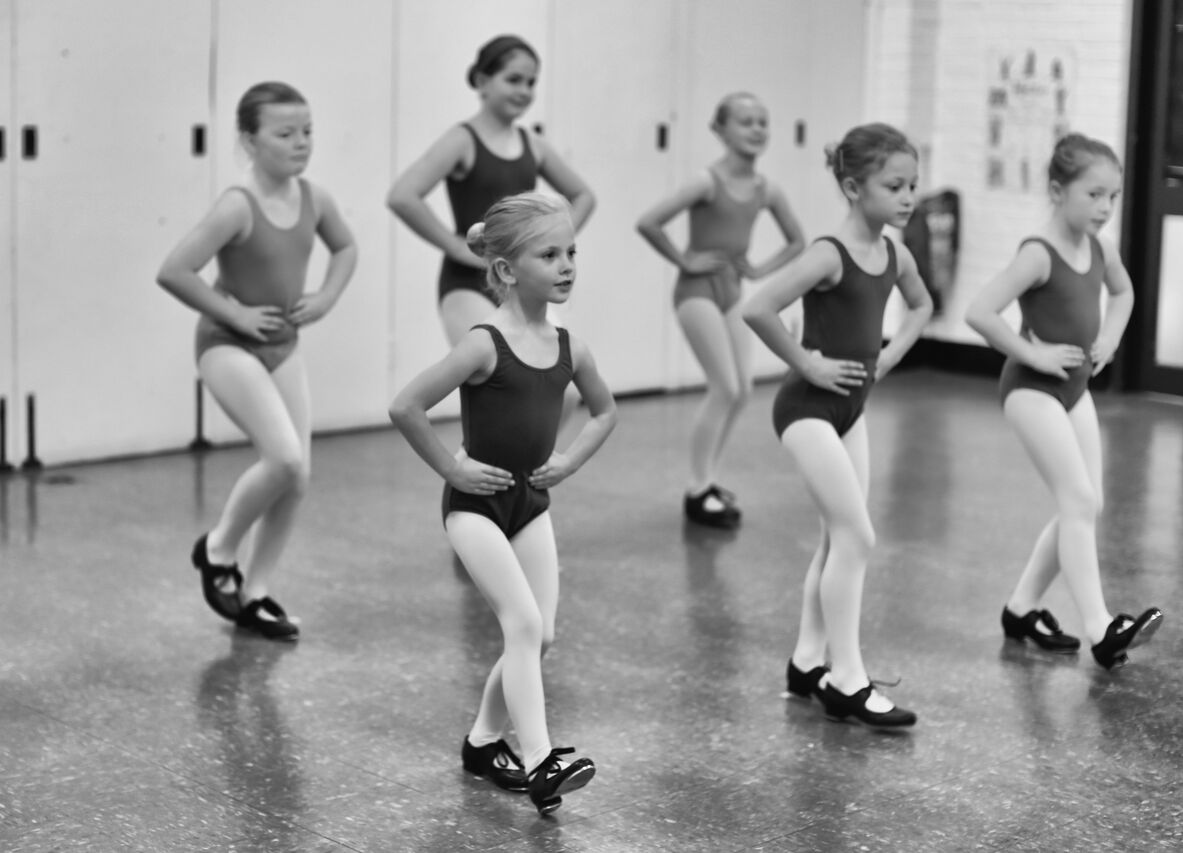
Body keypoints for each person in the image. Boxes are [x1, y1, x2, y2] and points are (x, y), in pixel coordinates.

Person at [389, 192, 616, 815]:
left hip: (532, 506)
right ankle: (541, 761)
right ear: (509, 270)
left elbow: (605, 411)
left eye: (572, 251)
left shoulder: (571, 346)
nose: (568, 264)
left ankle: (484, 741)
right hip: (474, 508)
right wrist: (451, 464)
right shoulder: (484, 343)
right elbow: (406, 406)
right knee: (520, 623)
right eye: (550, 254)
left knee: (539, 637)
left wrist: (569, 460)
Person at [743, 123, 932, 728]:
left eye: (913, 186)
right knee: (858, 537)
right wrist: (805, 362)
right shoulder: (830, 253)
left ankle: (806, 663)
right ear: (854, 187)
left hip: (852, 409)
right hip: (805, 410)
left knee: (835, 539)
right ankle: (846, 678)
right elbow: (757, 307)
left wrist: (893, 353)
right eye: (894, 185)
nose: (907, 198)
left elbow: (924, 304)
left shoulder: (894, 252)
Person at [157, 82, 358, 641]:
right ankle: (218, 550)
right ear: (249, 139)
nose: (301, 143)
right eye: (285, 133)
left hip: (283, 344)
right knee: (285, 458)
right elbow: (174, 270)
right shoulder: (236, 205)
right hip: (227, 344)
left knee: (297, 478)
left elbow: (346, 247)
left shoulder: (315, 198)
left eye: (308, 131)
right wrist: (237, 316)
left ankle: (257, 592)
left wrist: (326, 297)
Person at [965, 132, 1162, 671]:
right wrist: (1033, 351)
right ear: (1058, 190)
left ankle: (1022, 607)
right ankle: (1101, 629)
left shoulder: (1101, 247)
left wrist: (1112, 340)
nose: (1104, 208)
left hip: (1075, 390)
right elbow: (980, 311)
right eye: (1093, 195)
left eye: (1112, 197)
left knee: (1085, 504)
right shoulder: (1038, 253)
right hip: (1032, 390)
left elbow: (1122, 292)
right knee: (1077, 500)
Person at [636, 92, 805, 528]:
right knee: (725, 388)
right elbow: (649, 222)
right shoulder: (705, 182)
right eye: (745, 121)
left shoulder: (767, 189)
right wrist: (683, 259)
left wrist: (759, 268)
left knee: (742, 390)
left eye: (762, 121)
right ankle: (697, 489)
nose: (756, 129)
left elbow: (797, 240)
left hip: (731, 289)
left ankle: (710, 480)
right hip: (696, 291)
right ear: (720, 129)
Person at [387, 34, 595, 348]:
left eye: (531, 82)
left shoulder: (533, 145)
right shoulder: (462, 140)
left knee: (565, 391)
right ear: (483, 81)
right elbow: (403, 196)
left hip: (521, 281)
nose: (525, 91)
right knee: (494, 375)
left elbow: (583, 196)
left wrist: (552, 242)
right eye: (514, 80)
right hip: (468, 284)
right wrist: (456, 247)